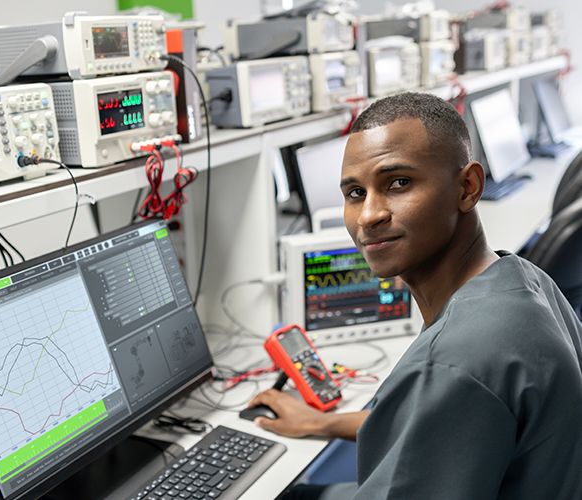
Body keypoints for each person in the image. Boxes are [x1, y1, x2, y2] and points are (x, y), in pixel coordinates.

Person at [248, 92, 582, 499]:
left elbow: (451, 390)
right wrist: (323, 422)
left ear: (468, 187)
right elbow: (449, 419)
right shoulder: (525, 278)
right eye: (355, 193)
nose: (369, 215)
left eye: (399, 183)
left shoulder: (452, 360)